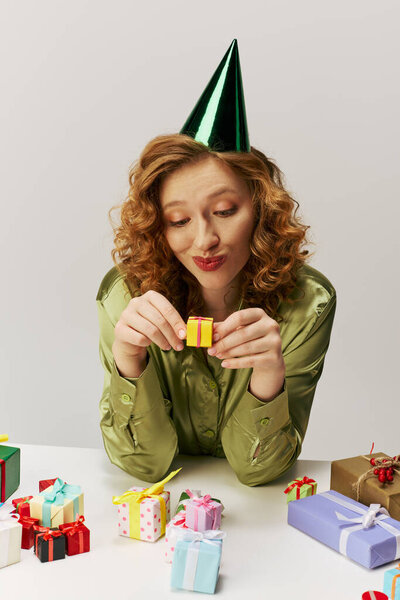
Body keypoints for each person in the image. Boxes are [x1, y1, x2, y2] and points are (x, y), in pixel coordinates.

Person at [96, 40, 336, 486]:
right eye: (179, 219)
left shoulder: (308, 303)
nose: (205, 240)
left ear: (260, 209)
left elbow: (258, 472)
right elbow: (143, 467)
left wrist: (268, 376)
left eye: (225, 211)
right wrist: (129, 361)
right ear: (159, 227)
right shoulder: (124, 296)